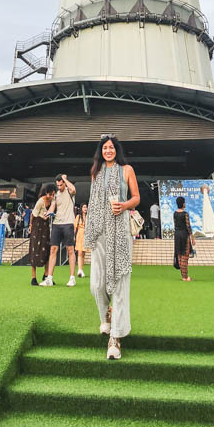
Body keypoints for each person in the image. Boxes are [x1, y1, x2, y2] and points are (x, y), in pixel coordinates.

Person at [84, 134, 139, 360]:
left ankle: (115, 338)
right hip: (99, 233)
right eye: (105, 148)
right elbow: (93, 202)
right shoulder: (95, 172)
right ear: (101, 151)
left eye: (111, 147)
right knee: (97, 284)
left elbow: (136, 197)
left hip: (120, 232)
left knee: (119, 285)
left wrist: (124, 205)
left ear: (117, 150)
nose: (108, 151)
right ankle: (105, 316)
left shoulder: (127, 170)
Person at [40, 174, 78, 287]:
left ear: (64, 183)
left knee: (70, 249)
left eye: (61, 184)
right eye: (57, 185)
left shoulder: (69, 191)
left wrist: (65, 178)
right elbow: (52, 206)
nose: (59, 186)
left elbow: (73, 189)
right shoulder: (56, 195)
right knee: (53, 250)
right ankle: (49, 279)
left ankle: (72, 278)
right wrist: (48, 213)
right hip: (57, 223)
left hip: (68, 223)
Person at [28, 187, 55, 286]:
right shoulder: (41, 201)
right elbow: (33, 214)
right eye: (50, 194)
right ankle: (33, 277)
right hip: (37, 225)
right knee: (35, 250)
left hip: (46, 227)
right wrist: (30, 226)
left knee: (47, 250)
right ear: (46, 193)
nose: (52, 196)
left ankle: (46, 275)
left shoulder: (52, 202)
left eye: (53, 194)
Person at [173, 196, 195, 281]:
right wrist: (192, 237)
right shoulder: (185, 214)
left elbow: (175, 224)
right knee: (185, 255)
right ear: (182, 203)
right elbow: (188, 226)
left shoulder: (175, 213)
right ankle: (185, 276)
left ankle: (183, 276)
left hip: (177, 235)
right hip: (184, 235)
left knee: (179, 255)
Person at [74, 203, 88, 277]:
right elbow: (74, 227)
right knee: (79, 252)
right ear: (81, 208)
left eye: (86, 207)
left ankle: (81, 269)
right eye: (84, 207)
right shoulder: (78, 217)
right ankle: (79, 269)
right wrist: (73, 236)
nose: (85, 208)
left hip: (86, 235)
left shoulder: (88, 217)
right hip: (80, 234)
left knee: (83, 253)